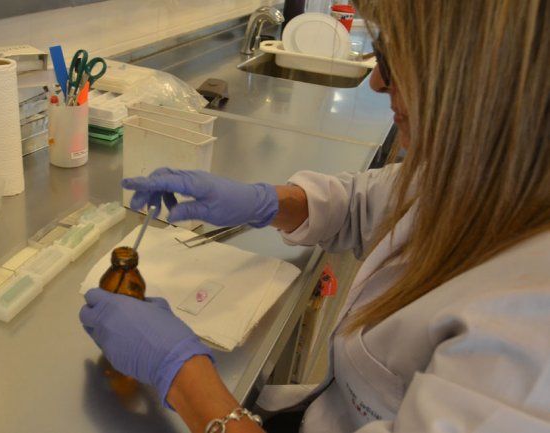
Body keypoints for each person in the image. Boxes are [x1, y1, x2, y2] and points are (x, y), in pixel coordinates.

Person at [79, 0, 550, 431]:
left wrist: (182, 375)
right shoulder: (494, 173)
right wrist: (267, 201)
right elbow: (377, 200)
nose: (377, 82)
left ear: (483, 81)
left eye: (394, 60)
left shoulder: (528, 341)